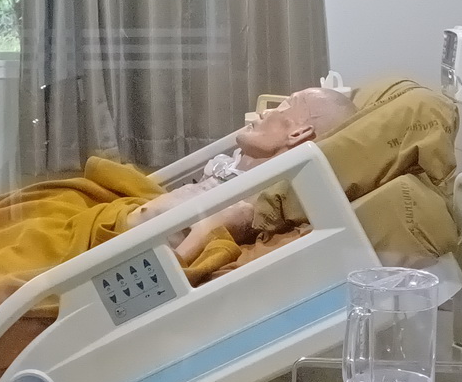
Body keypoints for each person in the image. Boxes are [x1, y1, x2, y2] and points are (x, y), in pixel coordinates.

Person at [127, 87, 358, 263]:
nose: (266, 111)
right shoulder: (234, 170)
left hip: (124, 246)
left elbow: (173, 268)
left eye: (285, 106)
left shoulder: (242, 207)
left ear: (298, 133)